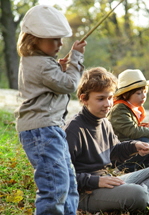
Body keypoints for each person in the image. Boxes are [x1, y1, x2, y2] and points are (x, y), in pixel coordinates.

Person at [64, 67, 149, 214]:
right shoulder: (74, 129)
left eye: (110, 98)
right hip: (85, 193)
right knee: (137, 194)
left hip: (105, 181)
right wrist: (96, 181)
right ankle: (146, 199)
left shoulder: (104, 123)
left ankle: (144, 199)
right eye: (101, 99)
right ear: (84, 99)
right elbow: (62, 174)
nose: (108, 104)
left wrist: (134, 146)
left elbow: (114, 152)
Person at [15, 5, 87, 215]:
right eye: (54, 39)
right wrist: (76, 60)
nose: (61, 43)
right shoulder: (42, 65)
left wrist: (60, 67)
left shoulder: (39, 62)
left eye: (61, 38)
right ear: (34, 39)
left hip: (50, 129)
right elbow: (69, 85)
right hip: (42, 131)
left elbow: (53, 83)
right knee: (55, 185)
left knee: (68, 183)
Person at [107, 69, 149, 172]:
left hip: (126, 144)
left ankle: (143, 167)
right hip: (114, 152)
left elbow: (131, 127)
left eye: (144, 92)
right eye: (138, 93)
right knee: (145, 142)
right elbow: (133, 131)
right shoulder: (119, 109)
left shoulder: (129, 108)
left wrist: (148, 127)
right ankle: (124, 169)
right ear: (125, 94)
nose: (143, 96)